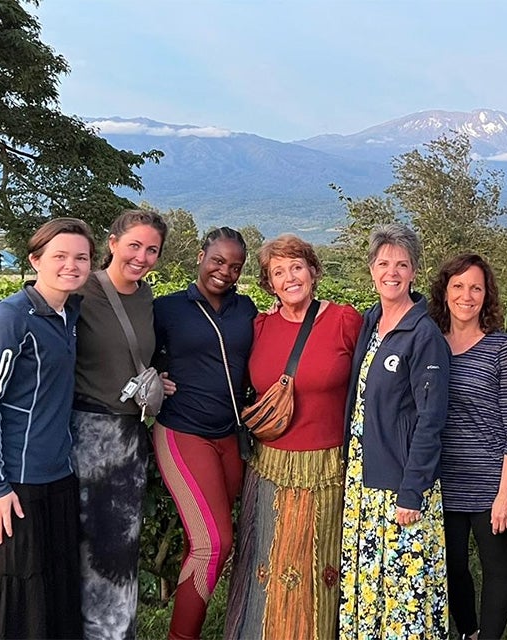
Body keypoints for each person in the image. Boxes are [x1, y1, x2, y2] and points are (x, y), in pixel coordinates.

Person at [0, 218, 94, 639]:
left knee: (52, 595)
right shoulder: (9, 318)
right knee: (12, 603)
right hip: (12, 484)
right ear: (35, 260)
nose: (71, 265)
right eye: (60, 256)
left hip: (57, 477)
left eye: (81, 257)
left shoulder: (68, 314)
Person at [224, 234, 362, 640]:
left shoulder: (343, 320)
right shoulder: (260, 326)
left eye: (296, 267)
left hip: (325, 466)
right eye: (278, 272)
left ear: (313, 272)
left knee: (320, 566)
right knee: (265, 562)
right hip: (269, 467)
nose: (290, 278)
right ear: (269, 283)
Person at [339, 222, 451, 639]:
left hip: (401, 484)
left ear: (415, 272)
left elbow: (431, 419)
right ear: (371, 269)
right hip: (363, 480)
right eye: (384, 262)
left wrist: (412, 490)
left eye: (402, 264)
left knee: (402, 595)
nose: (392, 271)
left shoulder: (424, 335)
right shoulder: (371, 324)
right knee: (370, 588)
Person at [151, 227, 257, 640]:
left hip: (230, 438)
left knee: (203, 540)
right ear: (200, 256)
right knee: (214, 542)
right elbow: (131, 351)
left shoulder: (246, 309)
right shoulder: (167, 309)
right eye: (218, 261)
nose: (224, 271)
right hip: (184, 432)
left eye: (235, 266)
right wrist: (154, 375)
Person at [70, 208, 167, 640]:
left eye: (152, 250)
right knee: (80, 547)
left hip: (129, 438)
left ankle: (112, 632)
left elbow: (135, 358)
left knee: (119, 550)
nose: (142, 257)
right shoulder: (80, 290)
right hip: (82, 435)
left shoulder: (146, 298)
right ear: (112, 243)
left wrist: (154, 380)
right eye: (134, 245)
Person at [428, 253, 507, 640]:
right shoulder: (429, 342)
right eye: (458, 286)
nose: (466, 296)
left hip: (492, 481)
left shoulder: (501, 348)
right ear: (445, 291)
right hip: (445, 481)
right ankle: (468, 632)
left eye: (475, 288)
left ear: (486, 296)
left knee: (496, 568)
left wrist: (506, 493)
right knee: (452, 567)